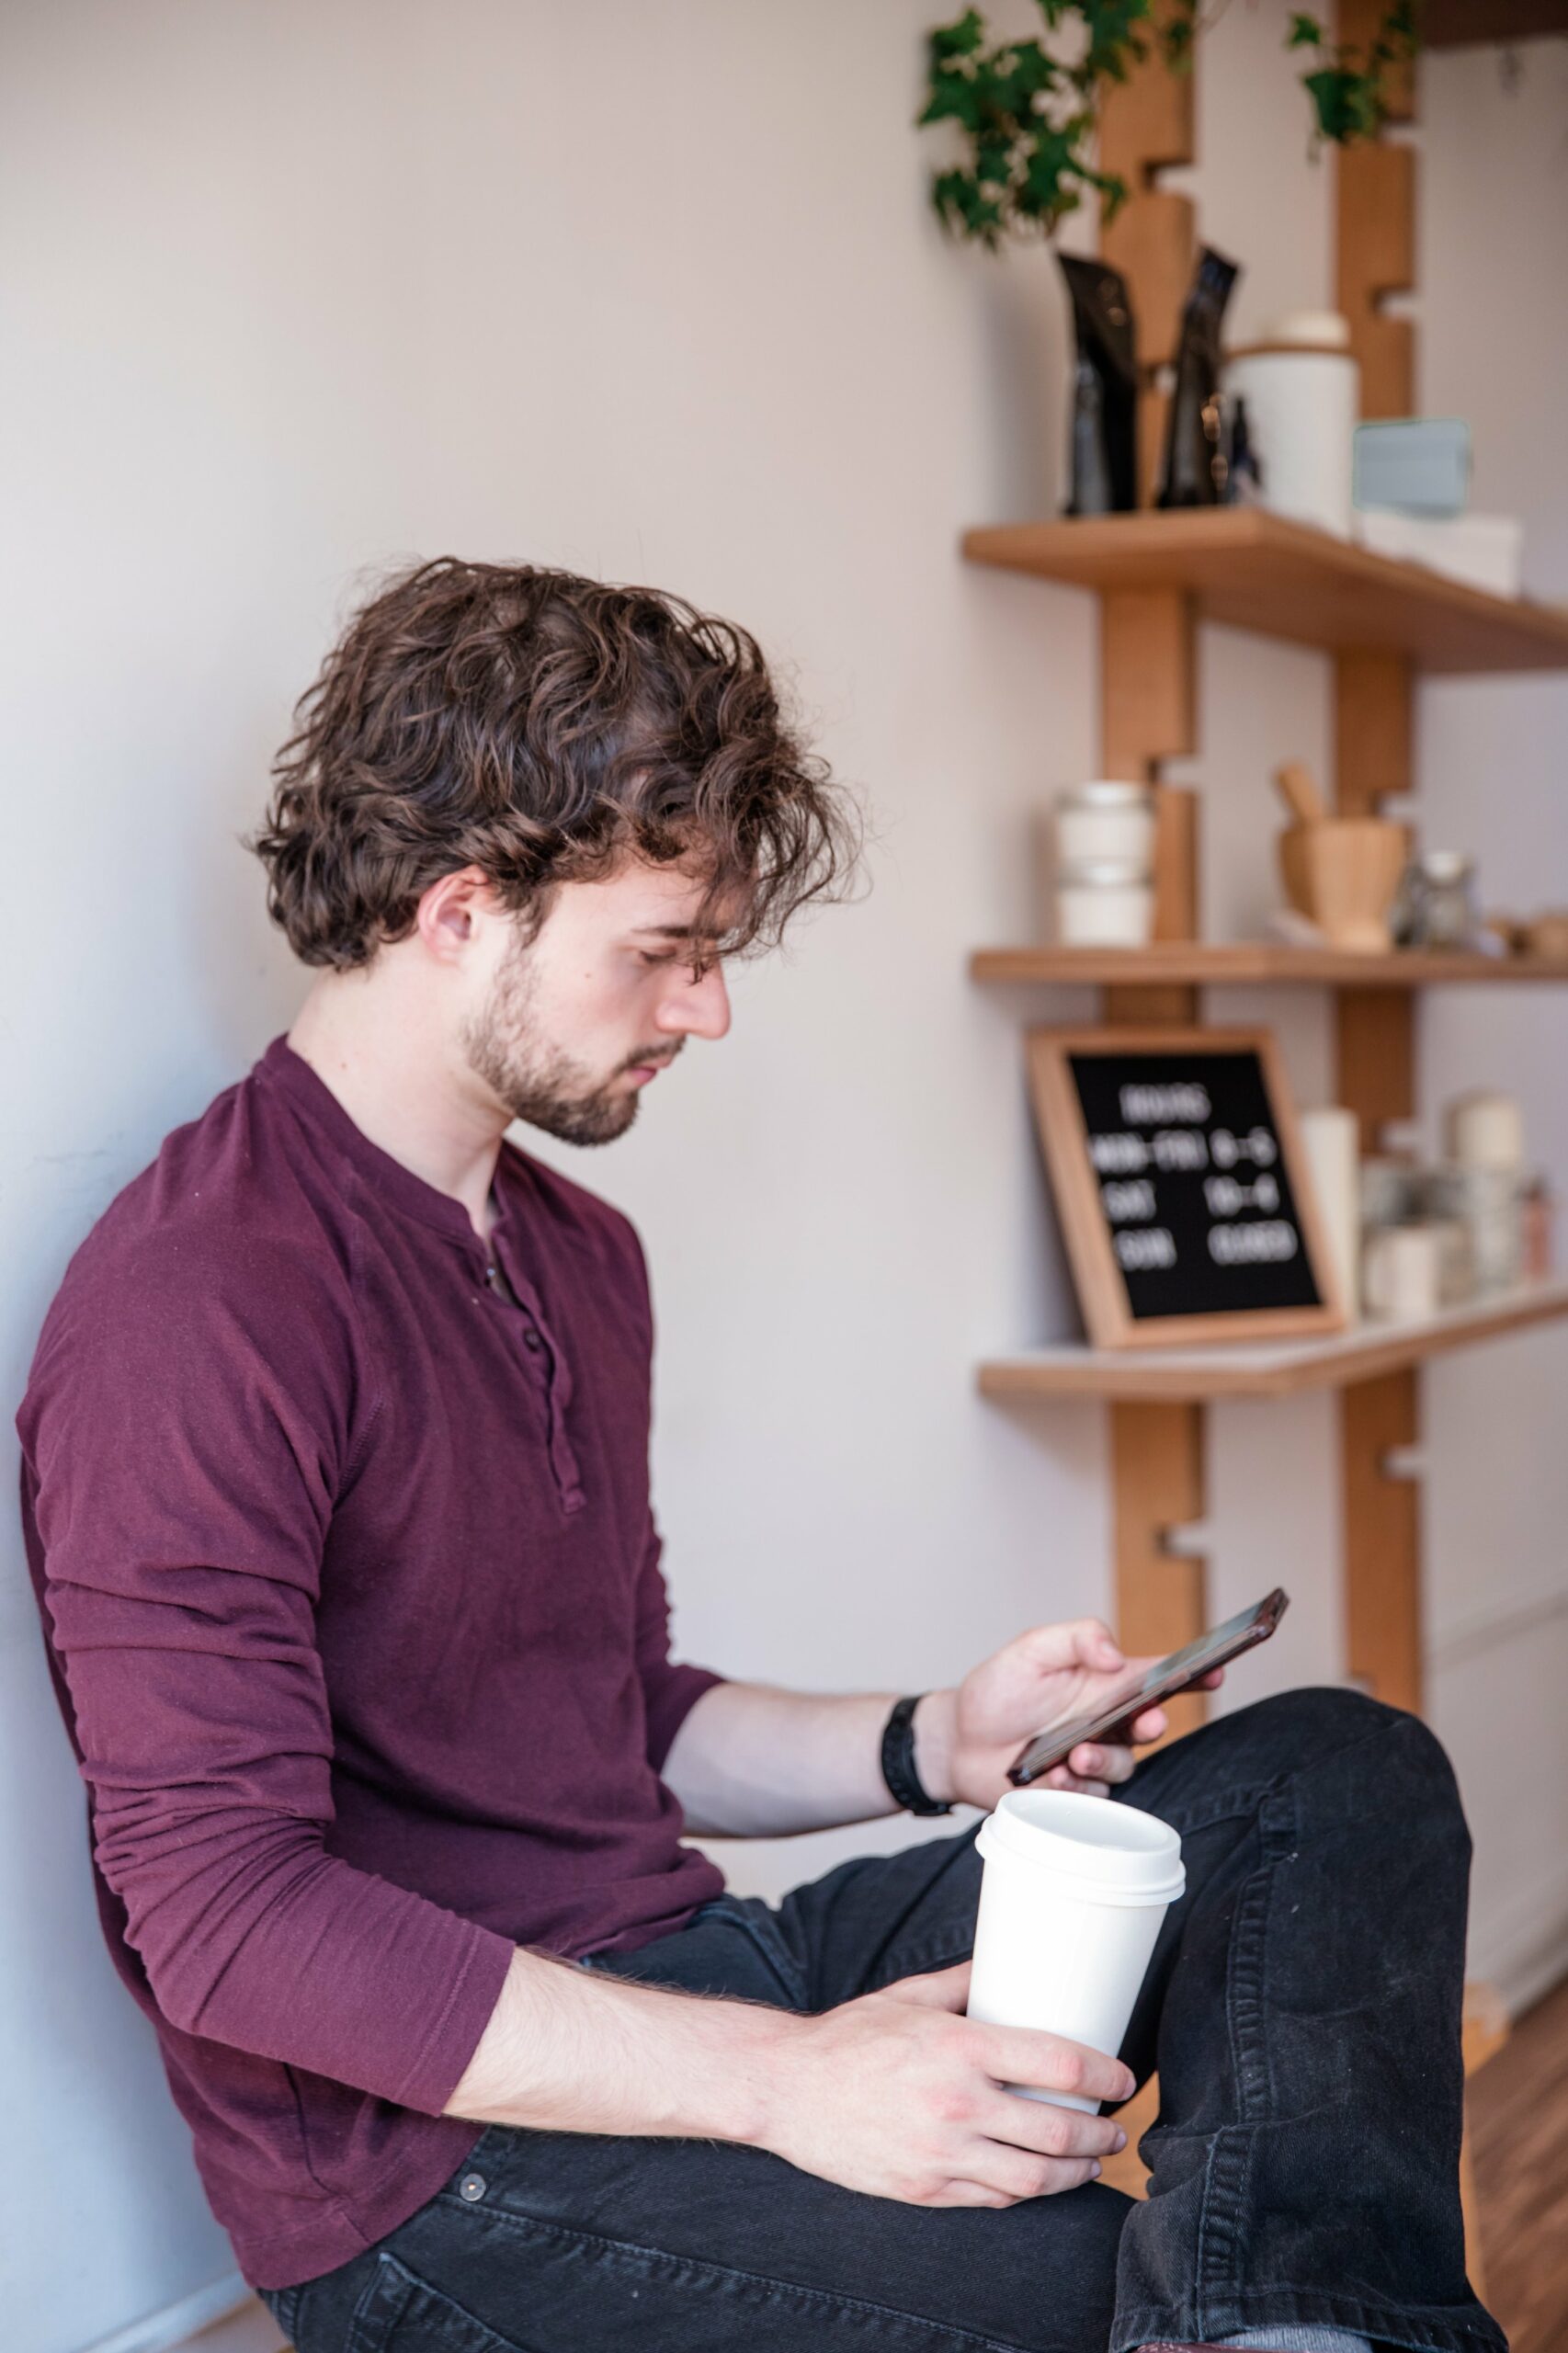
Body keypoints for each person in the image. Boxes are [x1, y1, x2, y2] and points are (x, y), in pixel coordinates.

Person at [18, 562, 1500, 2353]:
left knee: (1334, 1770)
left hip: (704, 1971)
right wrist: (784, 2083)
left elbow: (613, 1707)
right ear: (460, 907)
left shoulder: (574, 1248)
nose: (706, 1011)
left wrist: (924, 1737)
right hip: (436, 2177)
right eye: (665, 950)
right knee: (1096, 2282)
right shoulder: (200, 1299)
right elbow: (230, 1923)